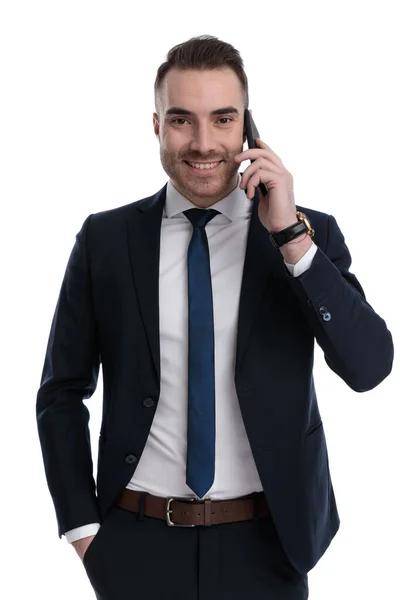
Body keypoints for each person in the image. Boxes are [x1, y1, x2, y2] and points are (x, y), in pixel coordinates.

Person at [36, 35, 394, 600]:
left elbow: (370, 366)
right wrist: (85, 533)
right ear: (156, 126)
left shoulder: (308, 234)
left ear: (248, 128)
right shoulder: (105, 241)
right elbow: (60, 394)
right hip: (135, 546)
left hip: (268, 549)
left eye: (223, 119)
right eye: (182, 120)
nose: (203, 142)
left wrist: (291, 240)